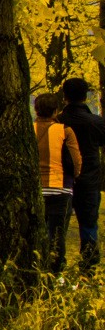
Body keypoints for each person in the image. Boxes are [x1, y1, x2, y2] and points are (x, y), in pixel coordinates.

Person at [60, 78, 105, 278]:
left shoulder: (58, 122)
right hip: (89, 180)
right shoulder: (96, 123)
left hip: (62, 180)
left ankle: (56, 265)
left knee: (58, 225)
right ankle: (89, 268)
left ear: (65, 96)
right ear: (85, 96)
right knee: (88, 224)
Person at [35, 93, 81, 274]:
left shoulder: (28, 130)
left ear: (36, 110)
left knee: (36, 232)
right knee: (57, 235)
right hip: (60, 187)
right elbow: (76, 161)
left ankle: (37, 268)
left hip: (35, 188)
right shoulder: (65, 131)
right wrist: (74, 176)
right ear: (56, 111)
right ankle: (55, 271)